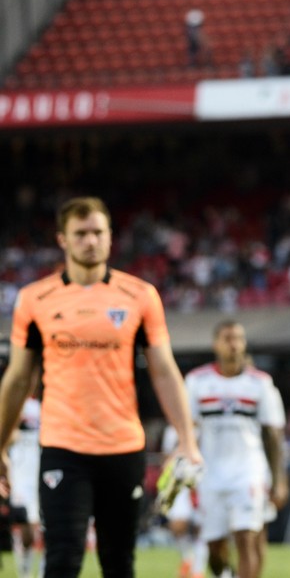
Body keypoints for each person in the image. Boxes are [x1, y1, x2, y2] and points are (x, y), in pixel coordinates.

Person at [0, 195, 202, 578]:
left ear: (111, 237)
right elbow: (17, 379)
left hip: (122, 448)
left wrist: (187, 440)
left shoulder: (141, 296)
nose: (90, 241)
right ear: (63, 239)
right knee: (61, 560)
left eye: (97, 232)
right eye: (80, 233)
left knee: (119, 563)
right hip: (63, 448)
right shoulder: (34, 299)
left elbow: (163, 371)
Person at [185, 321, 288, 578]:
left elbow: (273, 433)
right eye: (227, 338)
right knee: (215, 547)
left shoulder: (260, 383)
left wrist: (279, 480)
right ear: (215, 344)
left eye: (238, 338)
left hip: (249, 472)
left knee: (247, 537)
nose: (233, 343)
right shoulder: (197, 381)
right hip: (210, 474)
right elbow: (188, 428)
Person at [7, 368, 42, 578]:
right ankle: (25, 571)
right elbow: (7, 436)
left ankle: (37, 572)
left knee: (43, 526)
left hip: (40, 468)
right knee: (26, 525)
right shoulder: (14, 404)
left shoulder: (44, 406)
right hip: (20, 471)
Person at [160, 425, 207, 578]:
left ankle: (198, 569)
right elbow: (167, 457)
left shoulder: (205, 427)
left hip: (202, 479)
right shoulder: (171, 431)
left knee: (202, 526)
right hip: (180, 481)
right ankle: (188, 558)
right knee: (177, 525)